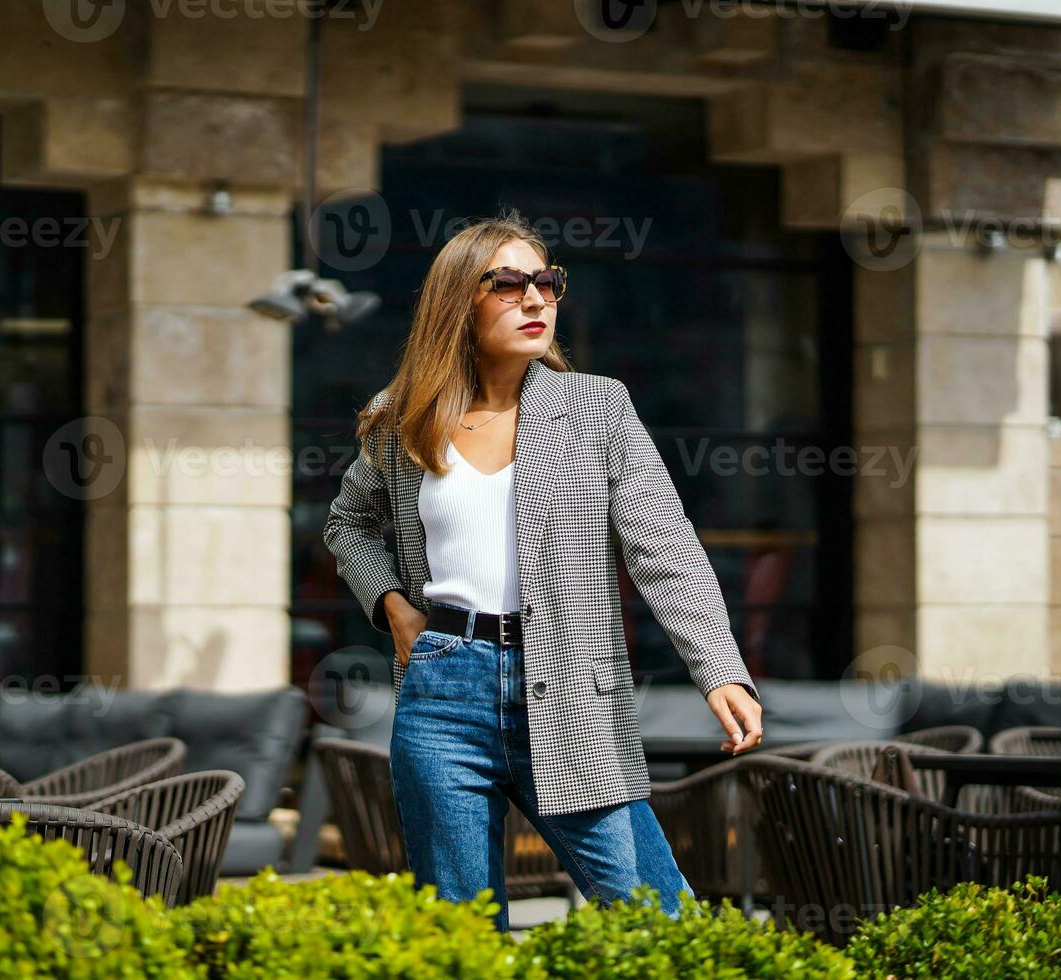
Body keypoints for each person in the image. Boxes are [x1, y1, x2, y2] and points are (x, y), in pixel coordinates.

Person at [322, 210, 764, 931]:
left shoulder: (597, 408)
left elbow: (666, 547)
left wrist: (718, 668)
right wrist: (393, 607)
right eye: (508, 284)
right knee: (461, 939)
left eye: (546, 283)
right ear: (457, 300)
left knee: (656, 919)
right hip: (442, 690)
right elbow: (348, 524)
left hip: (568, 689)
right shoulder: (405, 415)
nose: (535, 299)